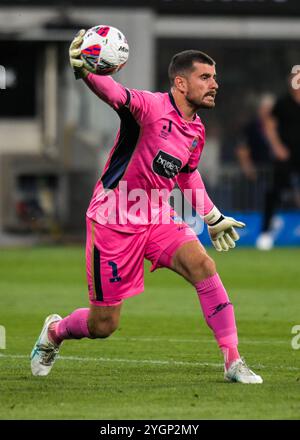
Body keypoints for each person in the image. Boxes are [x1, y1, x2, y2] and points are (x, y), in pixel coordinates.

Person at [30, 29, 263, 384]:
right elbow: (114, 93)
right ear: (181, 84)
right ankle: (55, 332)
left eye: (214, 77)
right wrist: (86, 70)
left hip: (155, 214)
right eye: (205, 77)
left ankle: (233, 361)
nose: (214, 84)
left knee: (203, 265)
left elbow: (187, 174)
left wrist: (212, 217)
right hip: (113, 219)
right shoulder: (149, 107)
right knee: (104, 324)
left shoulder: (196, 129)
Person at [256, 73, 300, 250]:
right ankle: (265, 233)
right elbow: (269, 126)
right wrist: (277, 147)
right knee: (275, 191)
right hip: (286, 155)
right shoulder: (282, 103)